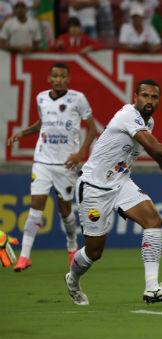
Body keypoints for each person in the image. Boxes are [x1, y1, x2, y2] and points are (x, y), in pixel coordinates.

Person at [64, 79, 162, 306]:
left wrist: (161, 164)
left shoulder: (149, 121)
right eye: (145, 96)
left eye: (154, 97)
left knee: (153, 221)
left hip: (121, 183)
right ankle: (73, 280)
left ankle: (152, 287)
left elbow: (150, 147)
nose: (149, 100)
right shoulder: (128, 115)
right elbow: (155, 146)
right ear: (135, 97)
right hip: (94, 187)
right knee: (94, 252)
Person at [6, 63, 97, 271]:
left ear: (68, 78)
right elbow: (43, 123)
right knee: (36, 205)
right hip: (42, 161)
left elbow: (92, 129)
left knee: (65, 210)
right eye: (55, 76)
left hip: (67, 163)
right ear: (49, 78)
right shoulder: (41, 98)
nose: (58, 79)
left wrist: (80, 153)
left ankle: (72, 245)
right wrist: (23, 132)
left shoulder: (78, 98)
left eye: (62, 76)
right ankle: (24, 256)